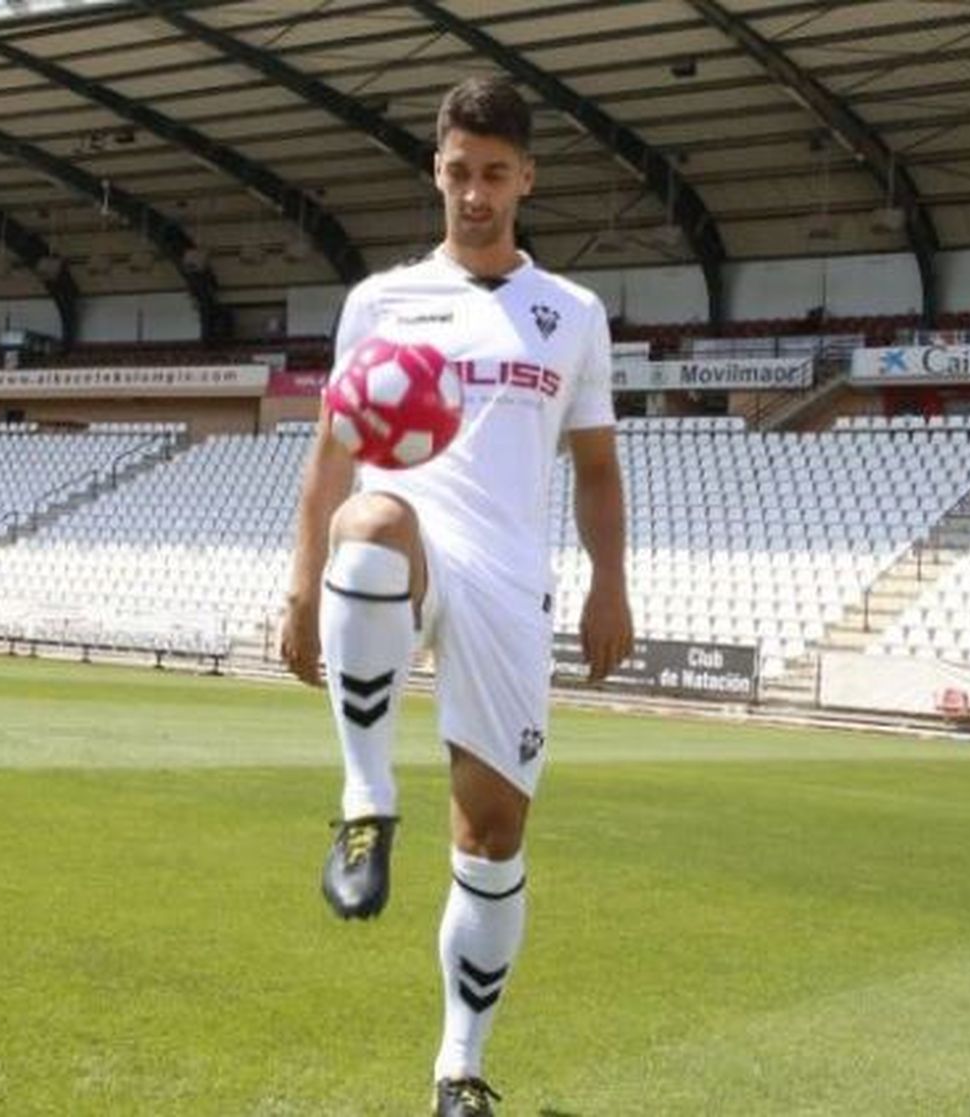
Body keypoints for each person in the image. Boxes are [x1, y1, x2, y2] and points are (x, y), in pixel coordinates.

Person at [281, 75, 632, 1117]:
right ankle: (363, 804)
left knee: (491, 836)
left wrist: (611, 585)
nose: (473, 193)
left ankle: (458, 1070)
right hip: (415, 541)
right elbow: (330, 456)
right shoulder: (380, 302)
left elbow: (599, 468)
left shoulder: (569, 314)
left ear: (524, 178)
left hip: (510, 580)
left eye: (494, 174)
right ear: (435, 171)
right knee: (373, 525)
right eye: (457, 172)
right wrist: (300, 584)